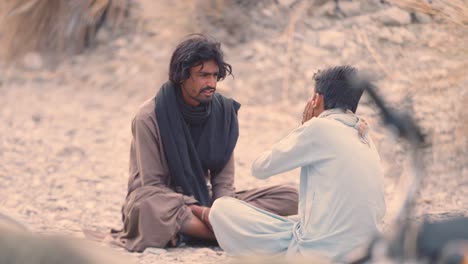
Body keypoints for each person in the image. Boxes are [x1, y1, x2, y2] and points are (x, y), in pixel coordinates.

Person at [111, 34, 298, 252]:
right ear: (182, 76)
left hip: (207, 202)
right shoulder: (149, 117)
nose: (211, 83)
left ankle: (225, 230)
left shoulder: (224, 113)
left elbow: (224, 185)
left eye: (215, 76)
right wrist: (203, 212)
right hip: (163, 203)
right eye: (203, 75)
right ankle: (233, 235)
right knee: (148, 205)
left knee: (290, 195)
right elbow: (153, 184)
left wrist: (221, 211)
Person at [209, 66, 386, 260]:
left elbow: (260, 167)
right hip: (368, 253)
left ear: (317, 99)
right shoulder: (365, 135)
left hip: (321, 255)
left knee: (221, 210)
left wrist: (303, 128)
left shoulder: (319, 128)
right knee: (297, 221)